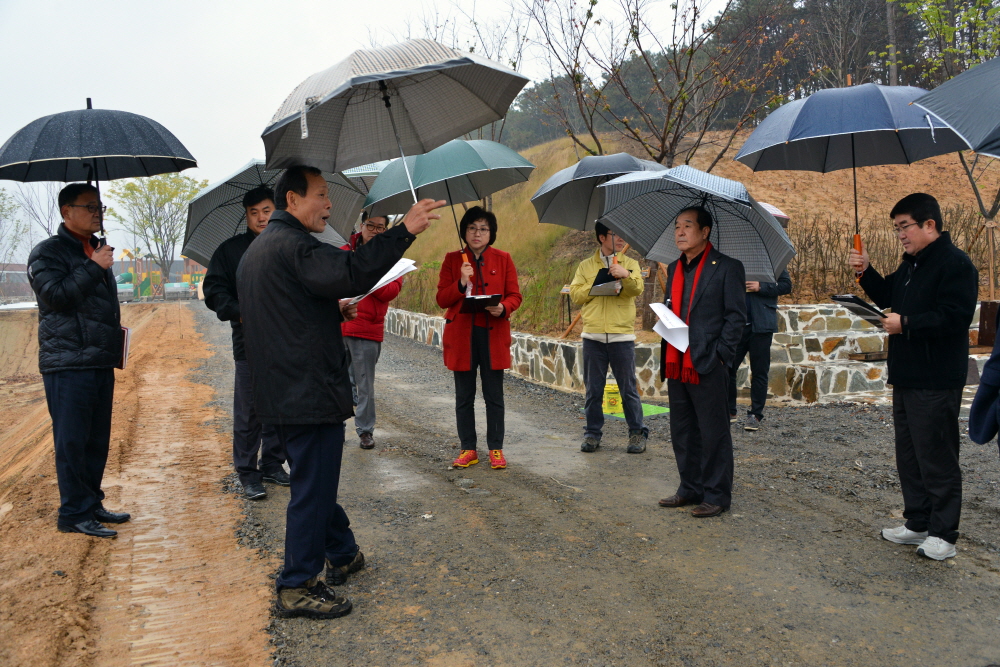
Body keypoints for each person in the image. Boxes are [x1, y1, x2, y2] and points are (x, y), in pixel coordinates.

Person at [237, 164, 445, 619]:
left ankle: (343, 552)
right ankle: (297, 584)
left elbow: (286, 315)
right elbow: (352, 270)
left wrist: (330, 312)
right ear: (292, 199)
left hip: (282, 392)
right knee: (312, 490)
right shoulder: (293, 245)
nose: (329, 204)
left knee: (314, 480)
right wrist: (404, 230)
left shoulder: (261, 249)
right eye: (321, 194)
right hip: (307, 392)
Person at [850, 193, 978, 561]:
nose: (901, 235)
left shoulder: (955, 264)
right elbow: (886, 294)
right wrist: (865, 271)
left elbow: (954, 317)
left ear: (929, 225)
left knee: (936, 456)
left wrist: (905, 323)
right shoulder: (911, 265)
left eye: (905, 227)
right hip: (906, 374)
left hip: (937, 377)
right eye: (896, 229)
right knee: (909, 455)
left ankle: (944, 533)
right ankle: (918, 522)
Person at [27, 183, 130, 538]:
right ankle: (72, 513)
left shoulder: (97, 249)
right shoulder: (46, 254)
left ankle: (91, 502)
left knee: (96, 440)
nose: (97, 212)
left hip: (99, 360)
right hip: (67, 363)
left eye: (100, 206)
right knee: (72, 441)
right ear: (66, 211)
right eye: (89, 207)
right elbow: (55, 296)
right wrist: (92, 266)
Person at [658, 207, 745, 518]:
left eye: (687, 226)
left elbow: (736, 317)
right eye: (677, 226)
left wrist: (721, 355)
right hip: (676, 358)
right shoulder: (673, 268)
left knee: (713, 432)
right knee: (682, 429)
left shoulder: (727, 267)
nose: (680, 232)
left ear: (705, 231)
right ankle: (690, 487)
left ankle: (717, 494)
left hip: (708, 362)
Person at [203, 186, 288, 500]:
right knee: (249, 411)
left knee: (280, 406)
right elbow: (214, 290)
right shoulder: (230, 251)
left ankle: (273, 463)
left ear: (276, 211)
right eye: (254, 213)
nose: (261, 218)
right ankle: (248, 473)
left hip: (285, 340)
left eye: (266, 211)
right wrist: (239, 312)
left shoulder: (288, 244)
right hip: (249, 341)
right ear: (247, 216)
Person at [436, 207, 523, 470]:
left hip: (492, 334)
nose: (477, 233)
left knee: (494, 395)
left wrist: (504, 307)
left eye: (483, 229)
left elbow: (515, 295)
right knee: (464, 396)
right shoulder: (453, 260)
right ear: (464, 231)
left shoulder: (503, 258)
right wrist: (461, 282)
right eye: (472, 228)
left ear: (491, 233)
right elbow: (441, 299)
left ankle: (496, 448)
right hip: (462, 336)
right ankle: (468, 448)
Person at [569, 222, 647, 454]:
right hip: (593, 336)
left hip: (621, 336)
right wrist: (596, 286)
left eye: (624, 234)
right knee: (594, 390)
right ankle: (592, 434)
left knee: (628, 389)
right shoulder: (585, 265)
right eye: (616, 234)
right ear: (602, 237)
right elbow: (575, 294)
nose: (622, 239)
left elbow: (637, 289)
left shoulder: (630, 263)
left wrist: (625, 276)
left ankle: (637, 432)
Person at [340, 211, 403, 450]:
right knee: (335, 381)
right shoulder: (344, 251)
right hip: (338, 325)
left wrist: (369, 272)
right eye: (371, 225)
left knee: (365, 385)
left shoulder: (392, 258)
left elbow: (390, 292)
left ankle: (365, 431)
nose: (375, 231)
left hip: (367, 329)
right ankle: (334, 427)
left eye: (380, 227)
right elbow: (332, 281)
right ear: (361, 225)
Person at [727, 269, 792, 431]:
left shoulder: (771, 264)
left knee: (759, 372)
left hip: (761, 326)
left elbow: (786, 286)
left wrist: (761, 286)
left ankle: (755, 415)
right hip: (735, 326)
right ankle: (729, 410)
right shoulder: (732, 263)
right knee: (727, 369)